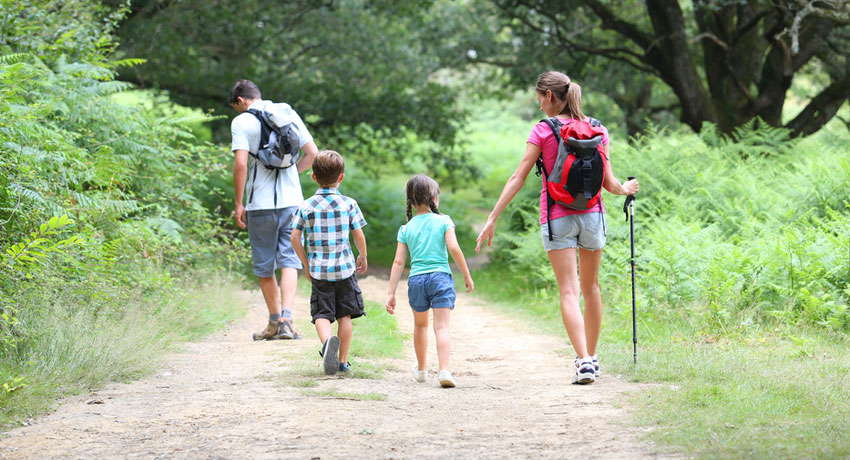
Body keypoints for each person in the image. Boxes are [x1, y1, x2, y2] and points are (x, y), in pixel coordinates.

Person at [474, 71, 638, 385]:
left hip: (557, 217)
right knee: (592, 289)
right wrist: (626, 189)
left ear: (550, 96)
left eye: (539, 99)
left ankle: (584, 361)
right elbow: (609, 183)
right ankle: (592, 357)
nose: (539, 107)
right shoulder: (598, 129)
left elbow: (518, 177)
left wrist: (493, 216)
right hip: (593, 216)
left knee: (568, 290)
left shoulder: (543, 130)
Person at [229, 79, 318, 341]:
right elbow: (312, 152)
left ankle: (273, 323)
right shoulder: (286, 112)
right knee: (289, 260)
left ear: (241, 101)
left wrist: (238, 202)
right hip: (292, 201)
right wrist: (292, 172)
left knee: (265, 266)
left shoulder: (242, 122)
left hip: (260, 205)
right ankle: (287, 320)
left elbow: (241, 164)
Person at [385, 174, 474, 388]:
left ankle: (422, 370)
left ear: (410, 201)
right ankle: (444, 369)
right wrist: (466, 274)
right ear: (434, 197)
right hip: (440, 278)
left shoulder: (406, 228)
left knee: (420, 325)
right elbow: (454, 248)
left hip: (416, 280)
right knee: (441, 327)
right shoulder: (444, 221)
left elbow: (398, 262)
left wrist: (391, 292)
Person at [290, 150, 367, 376]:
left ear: (313, 177)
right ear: (341, 177)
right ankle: (342, 361)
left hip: (319, 271)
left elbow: (294, 237)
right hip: (344, 269)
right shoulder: (349, 204)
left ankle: (327, 346)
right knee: (345, 316)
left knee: (321, 315)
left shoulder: (306, 206)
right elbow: (358, 234)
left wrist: (305, 264)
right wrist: (362, 255)